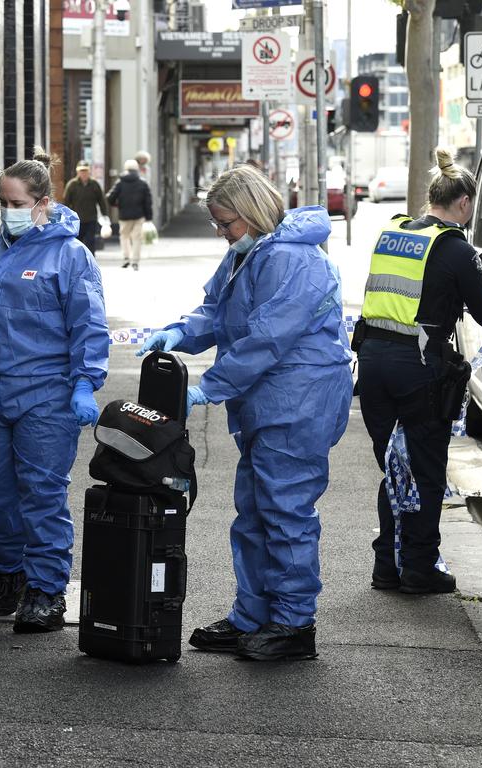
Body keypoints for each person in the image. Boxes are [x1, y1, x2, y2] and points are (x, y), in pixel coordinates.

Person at [139, 165, 353, 662]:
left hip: (297, 400)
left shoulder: (293, 261)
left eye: (226, 223)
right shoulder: (253, 254)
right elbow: (216, 311)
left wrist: (208, 387)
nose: (221, 233)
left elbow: (267, 338)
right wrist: (180, 332)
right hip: (274, 400)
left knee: (285, 512)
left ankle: (294, 624)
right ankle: (255, 616)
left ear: (253, 213)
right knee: (256, 511)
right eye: (217, 223)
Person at [0, 148, 109, 633]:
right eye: (1, 200)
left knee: (41, 492)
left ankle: (47, 588)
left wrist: (84, 383)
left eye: (14, 201)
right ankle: (10, 570)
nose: (6, 209)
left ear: (42, 203)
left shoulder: (70, 256)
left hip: (47, 395)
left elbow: (89, 325)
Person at [355, 147, 482, 595]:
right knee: (425, 470)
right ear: (464, 203)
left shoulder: (392, 232)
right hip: (418, 370)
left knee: (394, 468)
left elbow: (417, 292)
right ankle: (420, 568)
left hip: (372, 363)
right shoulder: (457, 247)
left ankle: (386, 565)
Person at [107, 158, 153, 271]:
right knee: (137, 238)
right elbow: (148, 202)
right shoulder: (142, 183)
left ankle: (126, 257)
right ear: (137, 169)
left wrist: (116, 205)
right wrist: (149, 217)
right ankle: (135, 261)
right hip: (139, 215)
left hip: (124, 215)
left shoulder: (120, 182)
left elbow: (110, 197)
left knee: (124, 237)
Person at [62, 161, 109, 255]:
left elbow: (101, 201)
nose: (83, 173)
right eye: (81, 171)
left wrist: (105, 216)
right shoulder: (72, 185)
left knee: (90, 242)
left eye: (85, 171)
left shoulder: (94, 184)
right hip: (76, 220)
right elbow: (66, 202)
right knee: (76, 242)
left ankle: (91, 261)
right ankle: (77, 261)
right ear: (77, 172)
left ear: (89, 172)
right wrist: (65, 217)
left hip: (91, 218)